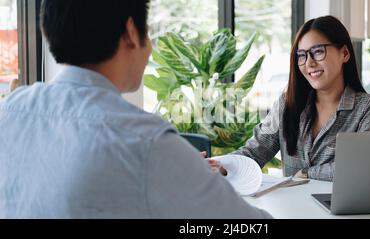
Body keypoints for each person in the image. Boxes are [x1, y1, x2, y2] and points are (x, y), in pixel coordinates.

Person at [0, 0, 271, 219]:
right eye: (149, 31)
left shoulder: (9, 111)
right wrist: (178, 170)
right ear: (131, 32)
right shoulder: (144, 139)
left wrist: (179, 170)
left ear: (48, 31)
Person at [210, 15, 370, 182]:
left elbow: (361, 167)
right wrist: (219, 165)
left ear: (344, 53)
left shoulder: (368, 108)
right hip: (291, 210)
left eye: (317, 52)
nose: (308, 63)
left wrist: (307, 173)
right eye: (302, 55)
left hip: (339, 211)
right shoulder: (287, 104)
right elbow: (256, 151)